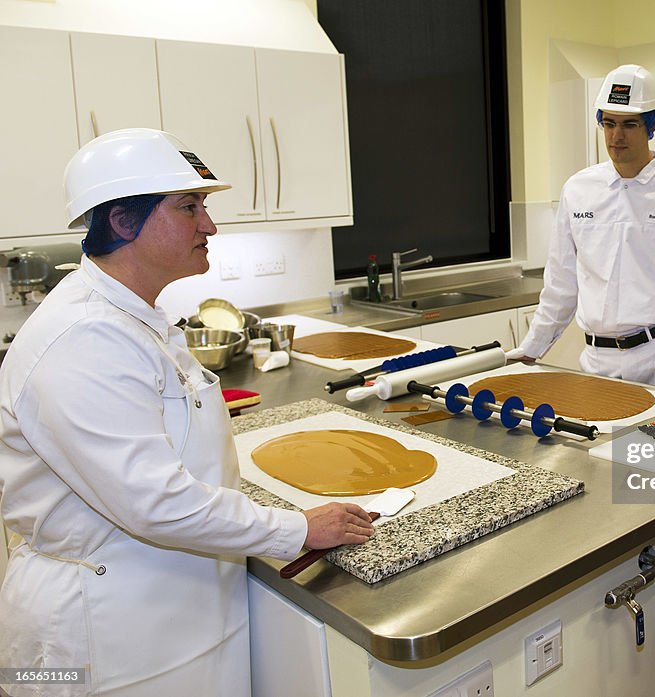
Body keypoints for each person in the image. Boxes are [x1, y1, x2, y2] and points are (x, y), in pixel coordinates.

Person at [0, 128, 376, 697]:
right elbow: (154, 503)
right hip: (97, 635)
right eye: (189, 206)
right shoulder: (81, 338)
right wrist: (298, 527)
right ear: (124, 221)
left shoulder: (135, 318)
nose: (210, 225)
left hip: (175, 612)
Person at [511, 64, 655, 395]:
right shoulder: (578, 189)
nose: (616, 136)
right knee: (597, 446)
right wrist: (531, 347)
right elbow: (562, 281)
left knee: (643, 448)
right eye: (608, 123)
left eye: (629, 124)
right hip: (593, 361)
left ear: (652, 125)